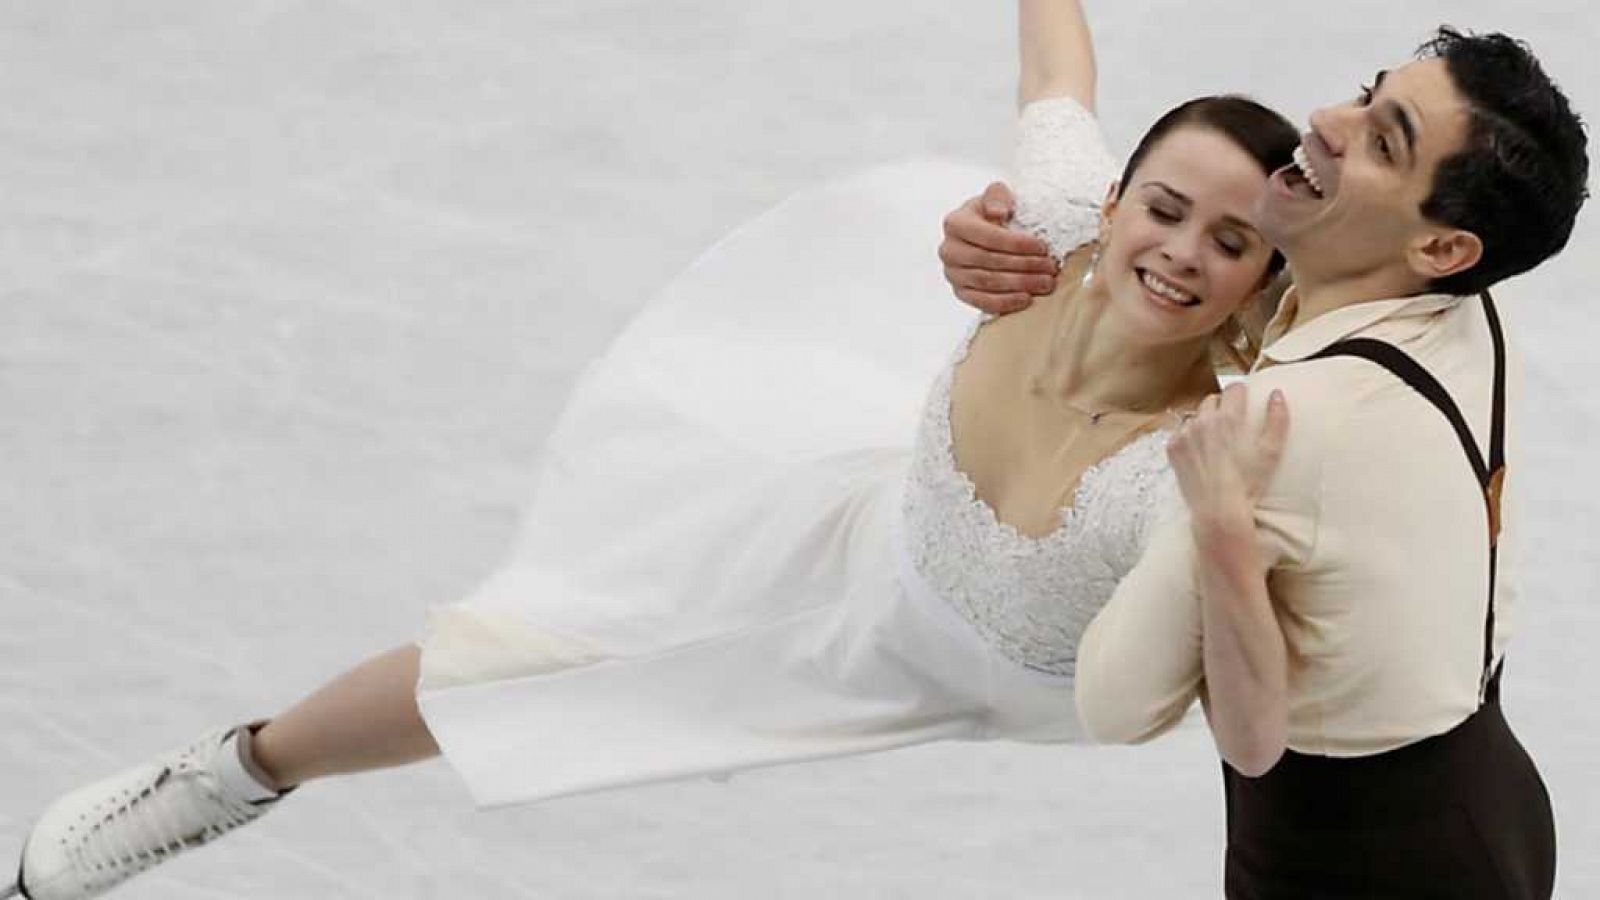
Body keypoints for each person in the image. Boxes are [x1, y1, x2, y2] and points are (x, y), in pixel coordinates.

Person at [3, 4, 1299, 899]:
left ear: (1262, 290)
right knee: (516, 662)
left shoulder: (1210, 449)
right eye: (1167, 208)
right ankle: (231, 774)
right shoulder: (1052, 223)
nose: (1183, 249)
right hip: (847, 565)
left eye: (1230, 244)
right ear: (1120, 197)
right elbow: (1057, 60)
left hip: (1012, 680)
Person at [940, 26, 1588, 898]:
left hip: (1347, 864)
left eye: (1382, 140)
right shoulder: (1463, 306)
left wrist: (1215, 523)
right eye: (1366, 93)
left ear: (1441, 249)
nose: (1324, 120)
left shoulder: (1278, 429)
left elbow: (1117, 702)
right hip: (1495, 794)